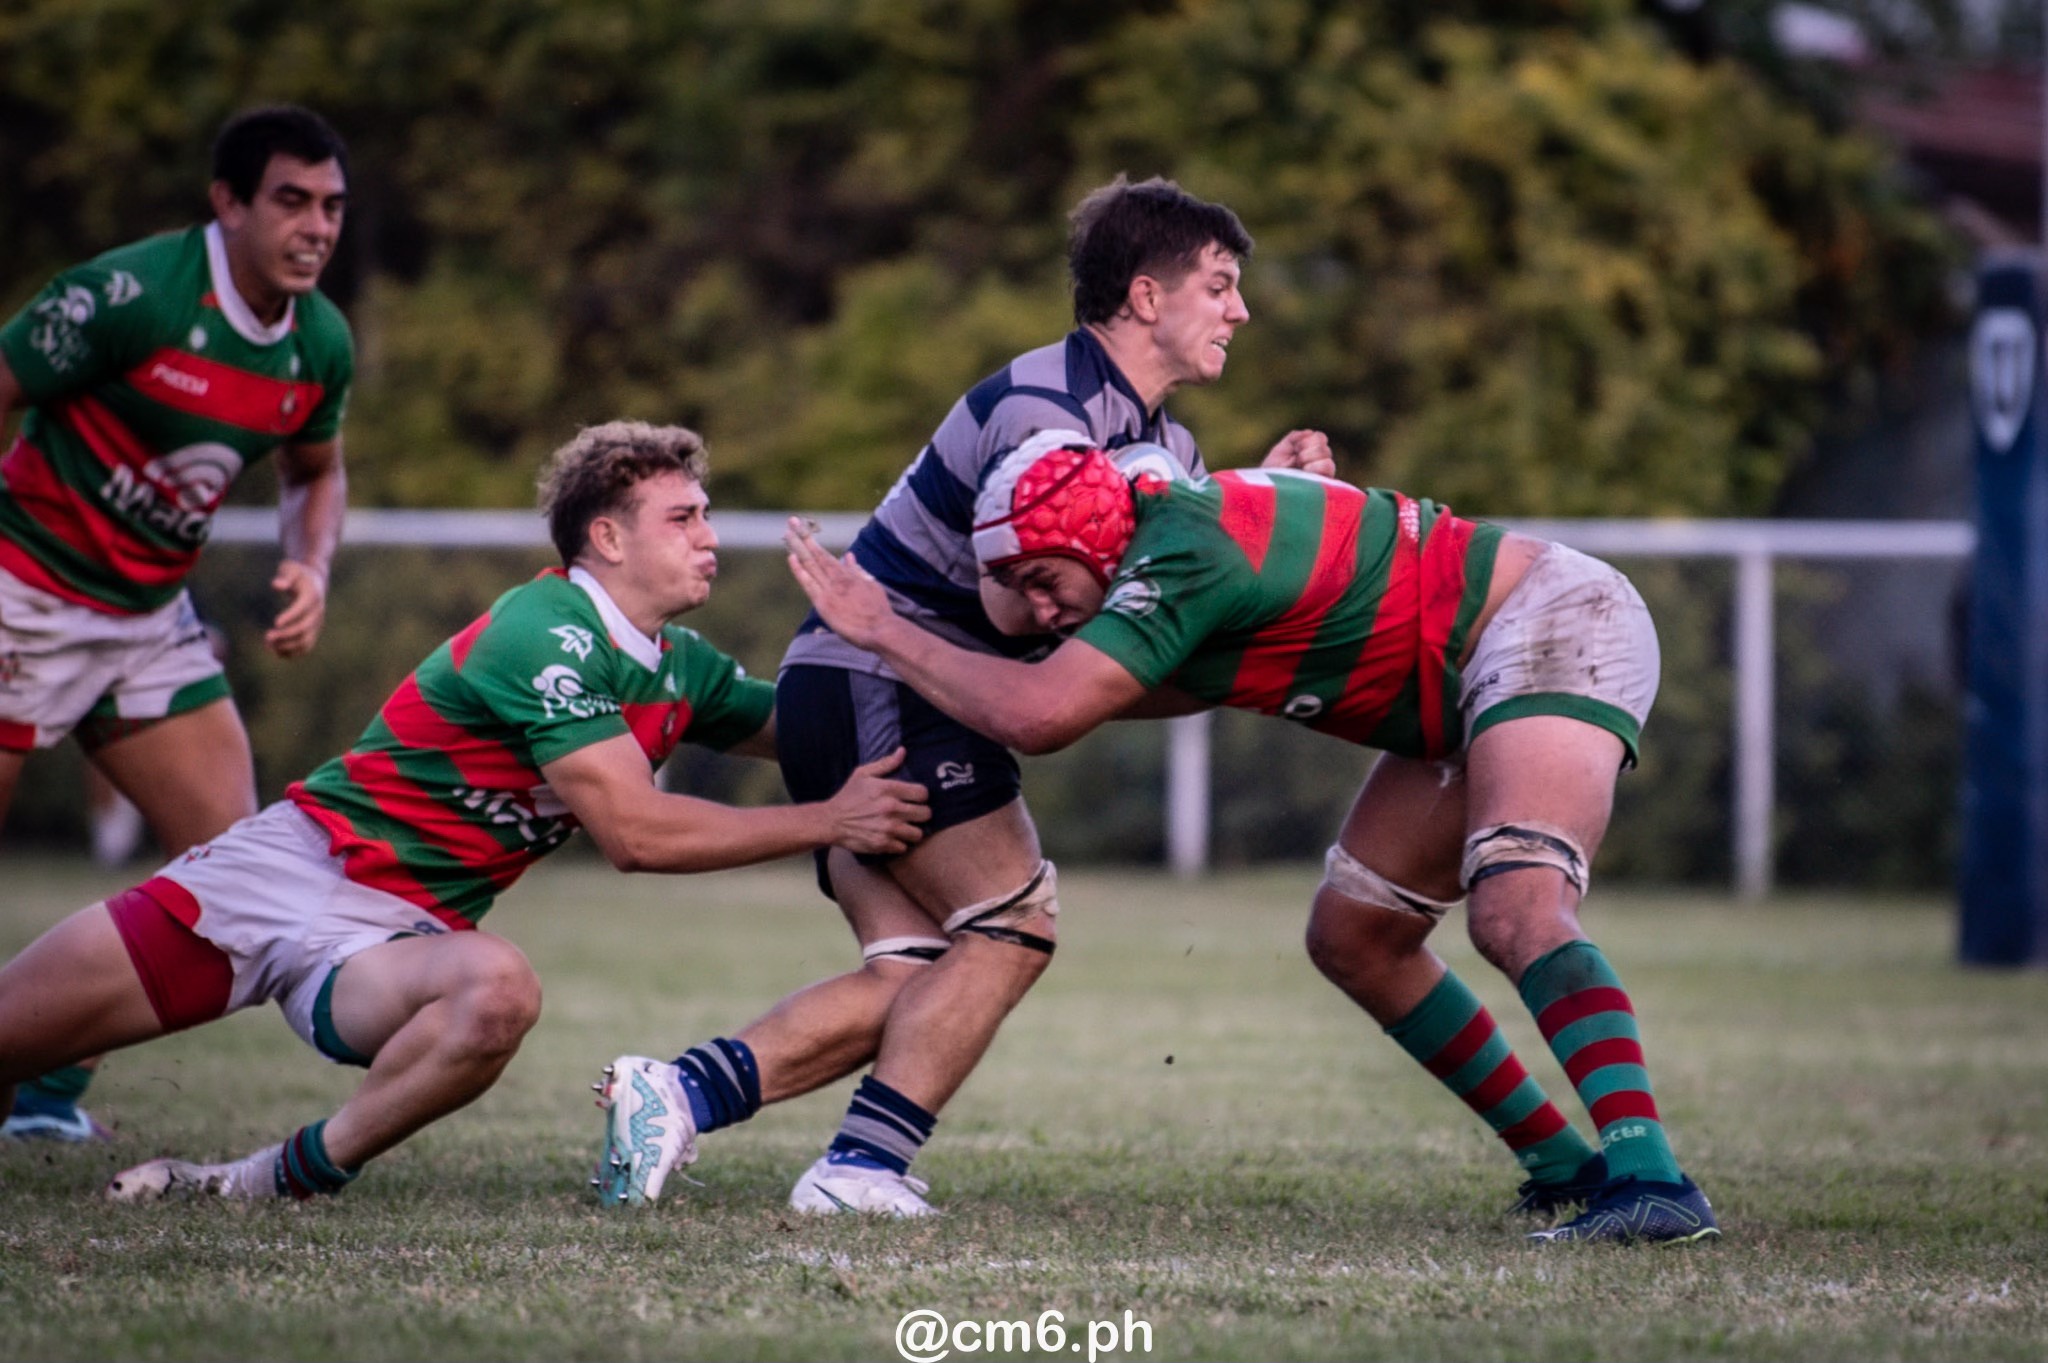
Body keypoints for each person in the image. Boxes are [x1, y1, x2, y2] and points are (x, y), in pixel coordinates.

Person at [591, 175, 1334, 1216]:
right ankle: (858, 1169)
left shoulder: (1161, 445)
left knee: (916, 973)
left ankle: (673, 1094)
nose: (1239, 310)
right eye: (1218, 285)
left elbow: (1136, 566)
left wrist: (1254, 495)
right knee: (1012, 922)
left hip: (870, 682)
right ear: (1144, 295)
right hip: (884, 682)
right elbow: (1022, 605)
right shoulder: (1045, 414)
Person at [779, 437, 1720, 1246]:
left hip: (1546, 619)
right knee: (1356, 936)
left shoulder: (1184, 550)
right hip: (1458, 680)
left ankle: (1651, 1182)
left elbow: (1043, 714)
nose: (1044, 611)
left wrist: (882, 630)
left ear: (1096, 538)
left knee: (1516, 909)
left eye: (1042, 580)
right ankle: (1564, 1167)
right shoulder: (1166, 538)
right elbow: (1088, 688)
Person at [0, 422, 929, 1201]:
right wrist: (831, 820)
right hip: (291, 870)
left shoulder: (679, 666)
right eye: (683, 518)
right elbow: (636, 833)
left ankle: (263, 1182)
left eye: (707, 515)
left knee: (498, 991)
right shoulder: (544, 631)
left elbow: (813, 727)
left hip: (395, 943)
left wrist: (915, 663)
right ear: (607, 538)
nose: (709, 537)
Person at [0, 105, 353, 1141]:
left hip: (148, 620)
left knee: (234, 872)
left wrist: (311, 563)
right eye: (291, 201)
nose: (315, 228)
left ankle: (46, 1095)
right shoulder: (128, 295)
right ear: (228, 203)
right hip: (21, 594)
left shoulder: (318, 342)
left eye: (332, 207)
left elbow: (316, 471)